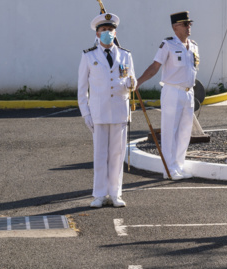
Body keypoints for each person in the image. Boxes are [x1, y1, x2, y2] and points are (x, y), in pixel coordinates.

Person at [78, 12, 135, 208]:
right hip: (99, 112)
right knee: (100, 155)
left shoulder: (125, 55)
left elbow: (130, 81)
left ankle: (116, 193)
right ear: (97, 34)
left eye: (110, 30)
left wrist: (131, 83)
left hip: (119, 111)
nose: (107, 33)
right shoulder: (88, 56)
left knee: (117, 154)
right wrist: (85, 113)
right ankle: (99, 194)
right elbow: (82, 88)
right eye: (103, 30)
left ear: (115, 32)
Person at [136, 11, 199, 180]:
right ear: (175, 27)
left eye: (189, 24)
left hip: (188, 93)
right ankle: (169, 169)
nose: (189, 27)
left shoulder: (193, 45)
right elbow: (155, 67)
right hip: (172, 91)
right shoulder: (168, 44)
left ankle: (179, 166)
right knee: (170, 131)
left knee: (185, 132)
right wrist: (139, 81)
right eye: (185, 24)